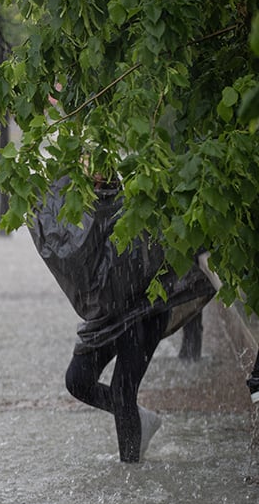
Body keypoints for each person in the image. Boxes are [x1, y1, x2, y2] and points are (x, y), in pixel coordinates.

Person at [30, 173, 215, 463]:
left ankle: (129, 471)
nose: (96, 174)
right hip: (109, 312)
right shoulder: (85, 207)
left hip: (147, 307)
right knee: (77, 380)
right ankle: (140, 421)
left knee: (122, 389)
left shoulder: (136, 199)